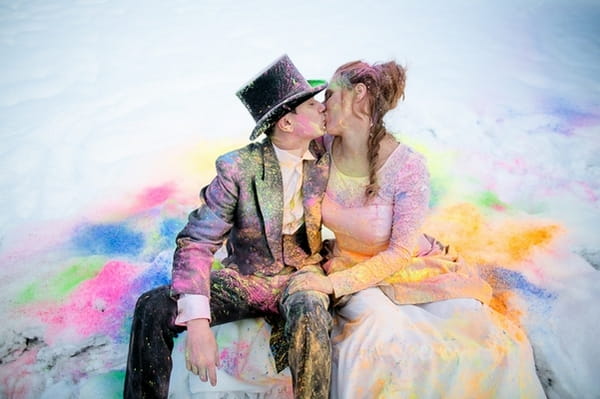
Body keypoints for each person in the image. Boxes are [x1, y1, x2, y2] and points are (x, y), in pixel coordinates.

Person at [289, 60, 547, 398]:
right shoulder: (321, 148)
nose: (323, 105)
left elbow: (401, 250)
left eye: (332, 95)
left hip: (411, 267)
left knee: (477, 333)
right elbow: (282, 132)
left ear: (359, 96)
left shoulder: (408, 165)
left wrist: (333, 284)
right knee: (379, 340)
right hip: (350, 264)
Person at [123, 55, 333, 399]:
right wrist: (198, 323)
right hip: (246, 279)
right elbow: (197, 241)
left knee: (310, 310)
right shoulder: (237, 166)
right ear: (287, 124)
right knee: (152, 306)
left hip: (302, 277)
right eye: (312, 104)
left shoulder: (330, 155)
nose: (322, 108)